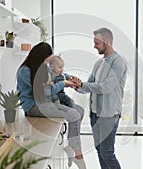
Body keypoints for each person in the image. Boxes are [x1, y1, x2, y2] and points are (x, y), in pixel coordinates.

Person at [16, 42, 86, 169]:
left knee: (80, 110)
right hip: (33, 107)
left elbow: (55, 74)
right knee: (74, 115)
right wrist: (63, 84)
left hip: (45, 103)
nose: (47, 63)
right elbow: (44, 91)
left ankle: (70, 147)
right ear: (40, 57)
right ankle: (77, 154)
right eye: (46, 60)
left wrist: (68, 77)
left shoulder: (42, 66)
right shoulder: (25, 71)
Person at [76, 28, 127, 169]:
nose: (94, 46)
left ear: (107, 42)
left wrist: (83, 85)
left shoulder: (118, 62)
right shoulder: (98, 63)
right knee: (100, 151)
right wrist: (76, 86)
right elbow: (89, 85)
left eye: (97, 43)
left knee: (107, 153)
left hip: (109, 115)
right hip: (95, 113)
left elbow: (105, 87)